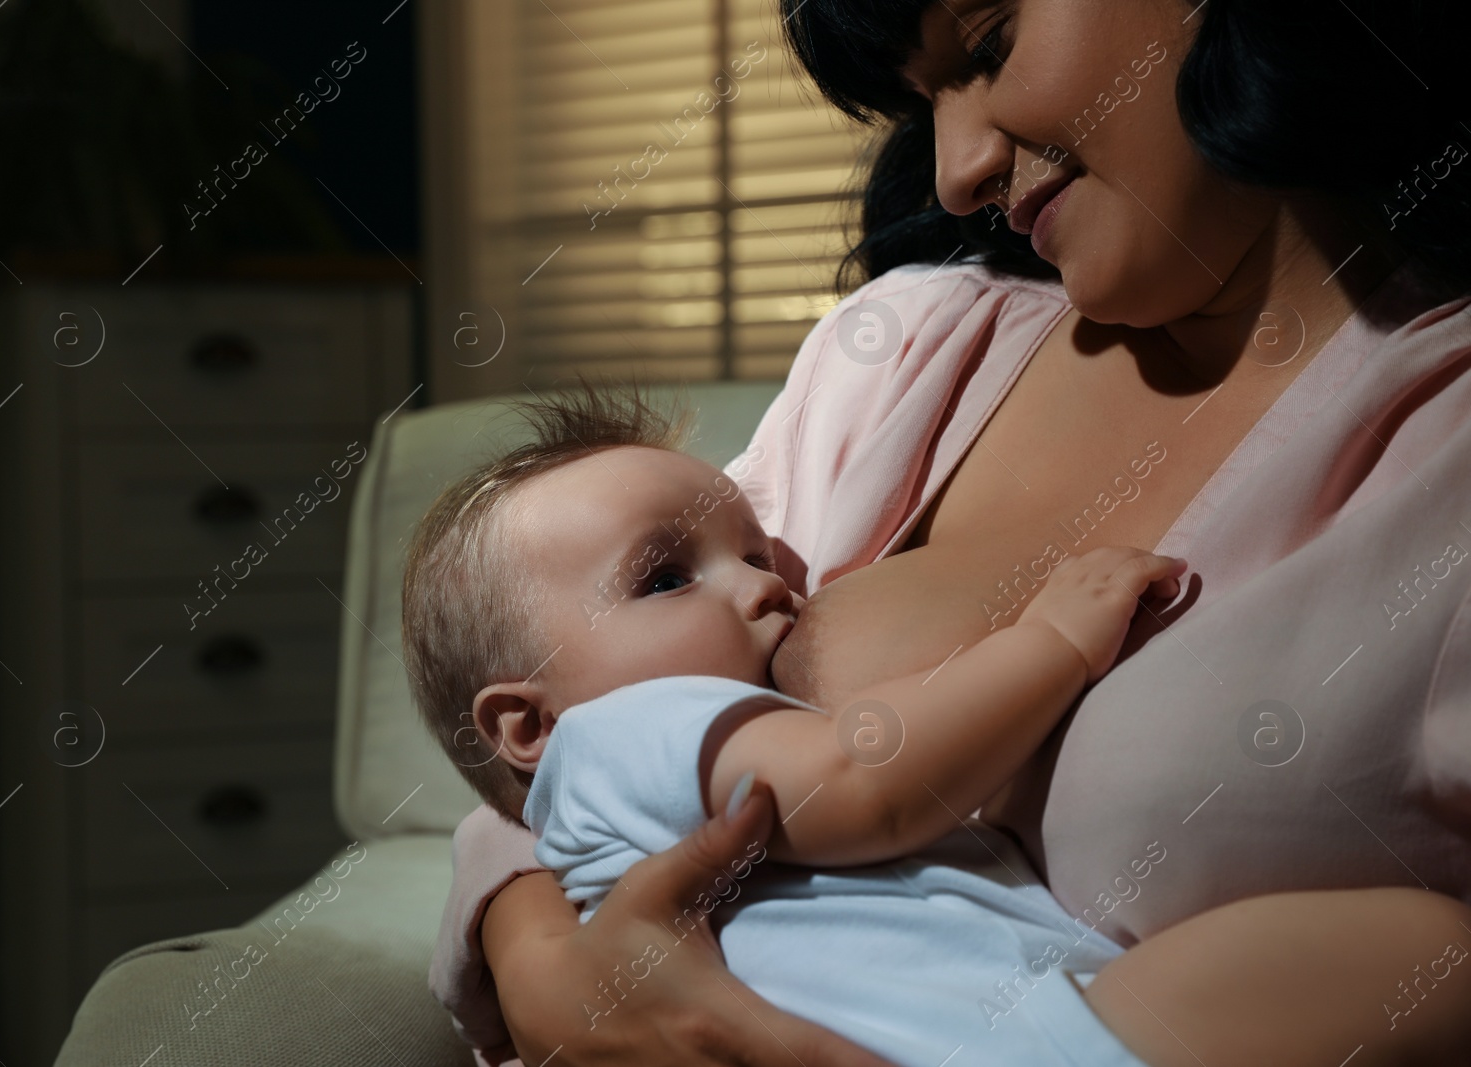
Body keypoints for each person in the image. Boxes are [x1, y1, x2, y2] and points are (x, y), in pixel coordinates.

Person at [427, 0, 1471, 1063]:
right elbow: (568, 730)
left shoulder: (1445, 452)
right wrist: (556, 973)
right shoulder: (901, 349)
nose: (956, 172)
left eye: (988, 48)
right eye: (926, 103)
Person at [402, 382, 1470, 1066]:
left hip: (1012, 1016)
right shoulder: (630, 731)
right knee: (1421, 950)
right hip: (981, 1036)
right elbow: (867, 782)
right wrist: (1053, 638)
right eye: (667, 575)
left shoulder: (615, 771)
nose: (767, 587)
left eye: (758, 551)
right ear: (528, 722)